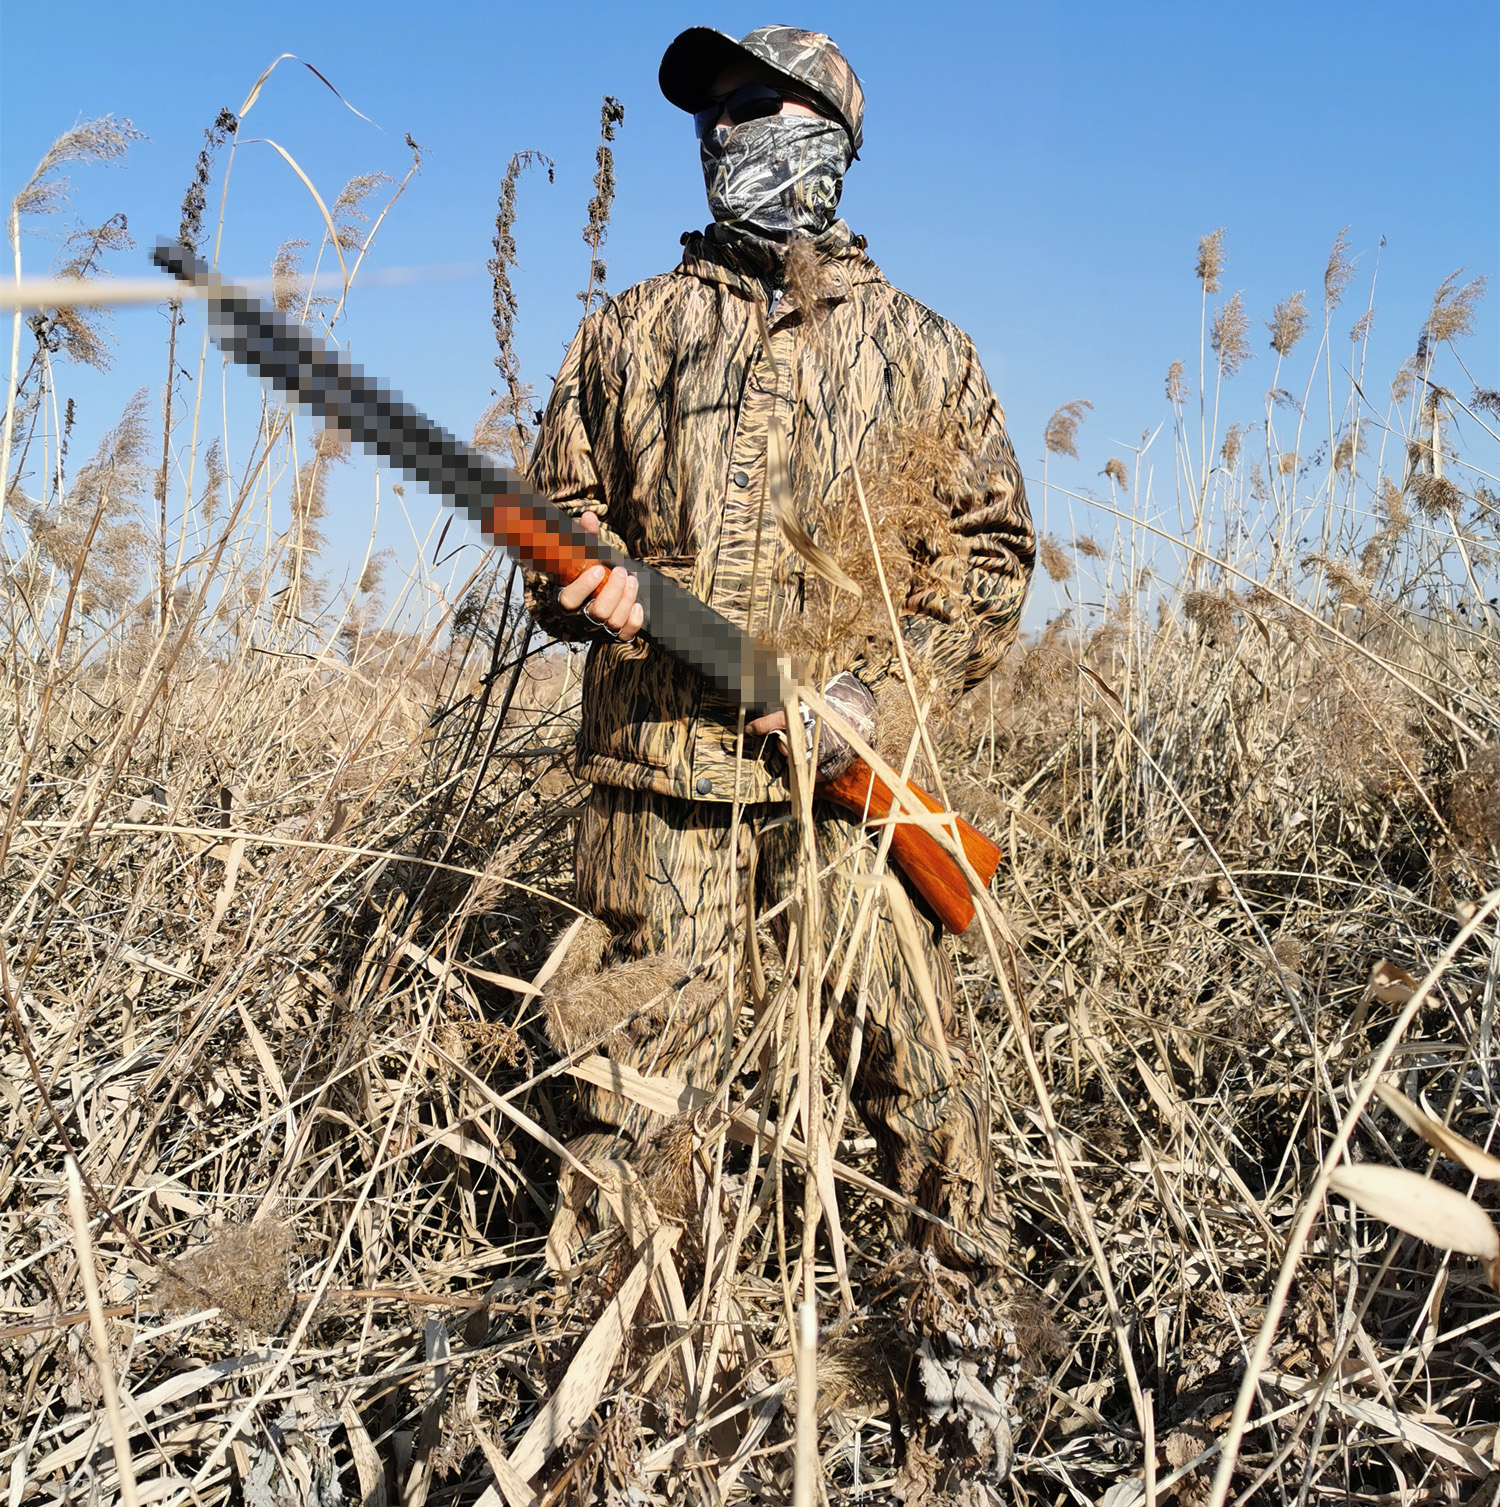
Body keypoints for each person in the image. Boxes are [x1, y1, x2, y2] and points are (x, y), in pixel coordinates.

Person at [525, 24, 1034, 1271]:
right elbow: (554, 511)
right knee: (629, 1096)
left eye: (757, 107)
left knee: (917, 1081)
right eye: (712, 115)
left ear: (830, 141)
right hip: (655, 789)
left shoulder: (923, 352)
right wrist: (583, 568)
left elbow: (992, 555)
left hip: (844, 798)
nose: (724, 133)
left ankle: (960, 1335)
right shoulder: (625, 334)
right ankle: (616, 1367)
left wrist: (863, 694)